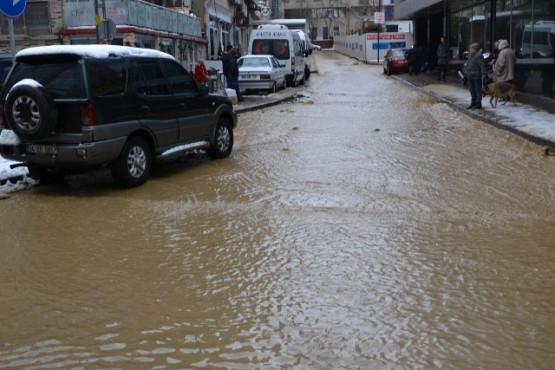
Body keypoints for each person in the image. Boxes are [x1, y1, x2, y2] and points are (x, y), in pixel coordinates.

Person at [462, 43, 487, 110]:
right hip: (470, 76)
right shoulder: (471, 56)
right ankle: (473, 103)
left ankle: (478, 104)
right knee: (472, 90)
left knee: (477, 90)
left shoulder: (478, 55)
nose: (470, 50)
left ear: (475, 49)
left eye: (471, 48)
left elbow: (482, 65)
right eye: (470, 48)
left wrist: (483, 73)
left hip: (476, 76)